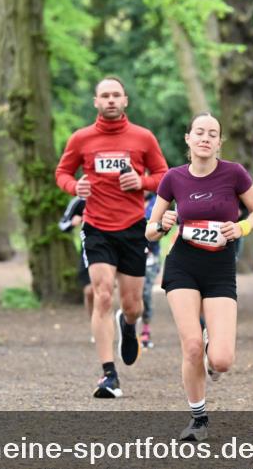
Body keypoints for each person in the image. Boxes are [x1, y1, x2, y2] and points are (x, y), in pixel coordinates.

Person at [146, 112, 253, 441]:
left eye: (212, 134)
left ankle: (215, 352)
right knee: (192, 345)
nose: (205, 138)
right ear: (188, 138)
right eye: (199, 132)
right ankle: (198, 418)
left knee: (222, 360)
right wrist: (162, 225)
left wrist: (239, 227)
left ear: (219, 142)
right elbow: (150, 231)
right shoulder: (173, 178)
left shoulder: (234, 174)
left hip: (220, 269)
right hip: (182, 265)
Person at [55, 76, 169, 398]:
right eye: (104, 96)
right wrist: (73, 187)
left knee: (132, 305)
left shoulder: (143, 138)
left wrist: (142, 182)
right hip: (97, 227)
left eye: (115, 95)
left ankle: (128, 325)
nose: (110, 100)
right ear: (96, 102)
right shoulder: (81, 139)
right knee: (102, 293)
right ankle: (108, 375)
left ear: (125, 100)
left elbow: (164, 177)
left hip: (133, 228)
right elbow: (62, 173)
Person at [59, 196, 94, 337]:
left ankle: (107, 324)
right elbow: (62, 225)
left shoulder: (114, 193)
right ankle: (95, 326)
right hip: (87, 251)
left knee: (104, 292)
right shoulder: (80, 200)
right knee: (89, 292)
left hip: (114, 249)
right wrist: (73, 223)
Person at [141, 192, 161, 349]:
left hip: (150, 256)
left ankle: (145, 329)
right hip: (129, 253)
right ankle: (127, 329)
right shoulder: (126, 199)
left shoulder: (158, 202)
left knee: (145, 293)